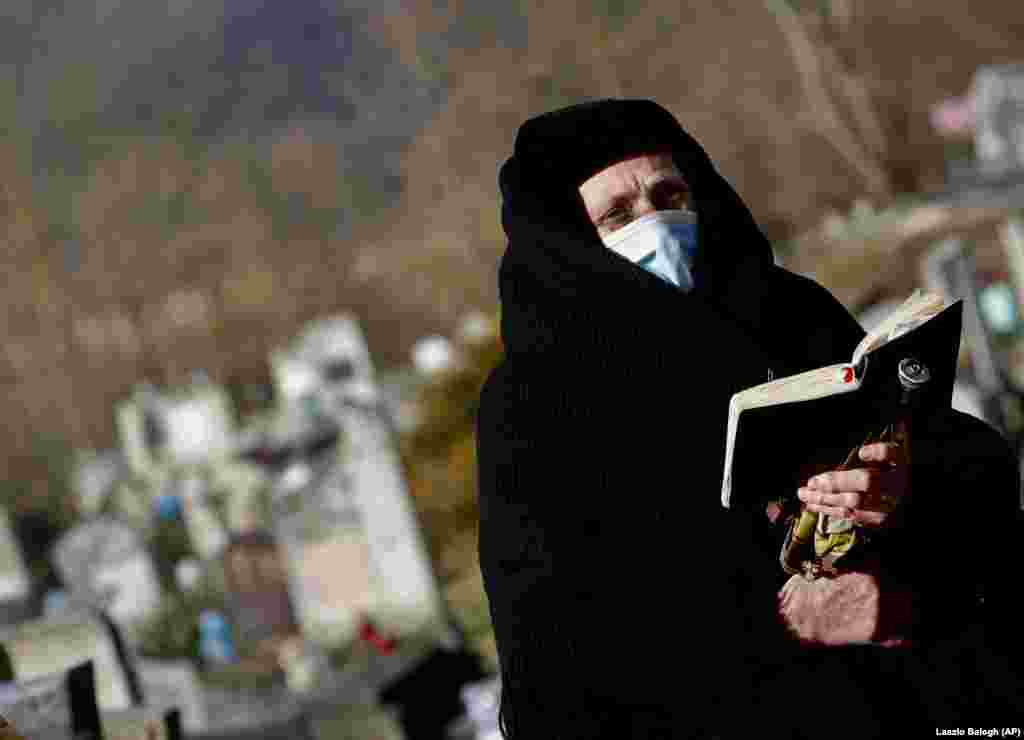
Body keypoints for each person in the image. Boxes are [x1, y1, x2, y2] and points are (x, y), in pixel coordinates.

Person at [475, 99, 1024, 739]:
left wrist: (900, 489)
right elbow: (551, 646)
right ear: (566, 241)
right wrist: (781, 620)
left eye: (669, 194)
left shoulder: (786, 312)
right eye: (618, 215)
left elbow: (962, 466)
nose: (657, 225)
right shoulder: (532, 406)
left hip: (911, 699)